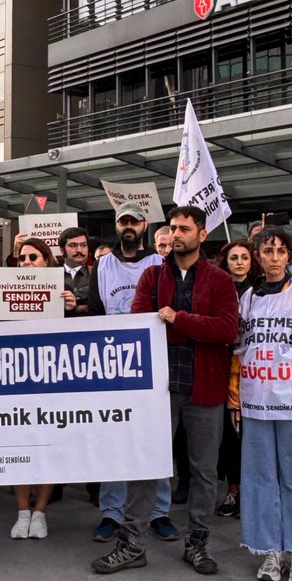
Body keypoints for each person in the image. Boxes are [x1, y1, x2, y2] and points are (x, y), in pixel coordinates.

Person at [93, 206, 239, 576]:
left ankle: (198, 543)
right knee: (146, 465)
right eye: (172, 228)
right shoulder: (153, 277)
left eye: (184, 229)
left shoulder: (219, 280)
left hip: (204, 388)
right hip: (159, 389)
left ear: (202, 235)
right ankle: (132, 544)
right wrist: (188, 326)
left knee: (204, 471)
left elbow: (226, 331)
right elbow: (142, 325)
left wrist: (178, 318)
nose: (176, 234)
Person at [230, 228, 292, 581]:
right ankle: (270, 548)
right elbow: (238, 352)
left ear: (289, 256)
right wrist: (234, 397)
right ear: (257, 255)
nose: (273, 257)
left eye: (280, 251)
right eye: (267, 250)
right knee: (259, 478)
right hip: (255, 399)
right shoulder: (247, 299)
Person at [87, 203, 177, 543]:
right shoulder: (103, 265)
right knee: (115, 439)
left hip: (153, 362)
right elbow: (95, 311)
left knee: (156, 440)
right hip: (114, 363)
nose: (129, 227)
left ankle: (158, 512)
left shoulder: (160, 264)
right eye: (123, 221)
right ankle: (112, 512)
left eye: (135, 221)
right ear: (117, 224)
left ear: (144, 225)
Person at [9, 238, 63, 539]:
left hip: (51, 380)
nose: (27, 262)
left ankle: (40, 512)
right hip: (17, 381)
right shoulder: (4, 290)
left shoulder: (61, 290)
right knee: (19, 446)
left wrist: (73, 308)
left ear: (46, 261)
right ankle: (22, 511)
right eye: (23, 258)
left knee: (47, 447)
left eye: (34, 257)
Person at [212, 240, 259, 518]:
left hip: (256, 370)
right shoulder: (220, 288)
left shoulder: (262, 290)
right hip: (225, 366)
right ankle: (233, 490)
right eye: (234, 258)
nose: (239, 262)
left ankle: (252, 494)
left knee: (252, 435)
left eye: (244, 257)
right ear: (226, 262)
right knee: (231, 435)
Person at [59, 227, 91, 316]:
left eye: (84, 245)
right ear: (62, 250)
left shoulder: (97, 273)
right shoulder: (52, 277)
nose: (79, 250)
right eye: (73, 245)